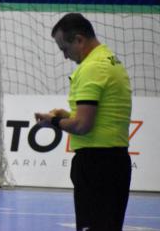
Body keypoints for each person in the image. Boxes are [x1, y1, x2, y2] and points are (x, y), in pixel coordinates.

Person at [35, 13, 132, 231]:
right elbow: (95, 118)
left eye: (64, 49)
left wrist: (55, 120)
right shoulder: (110, 60)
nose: (65, 56)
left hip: (96, 165)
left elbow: (82, 126)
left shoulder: (92, 68)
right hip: (115, 161)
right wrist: (66, 115)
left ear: (79, 40)